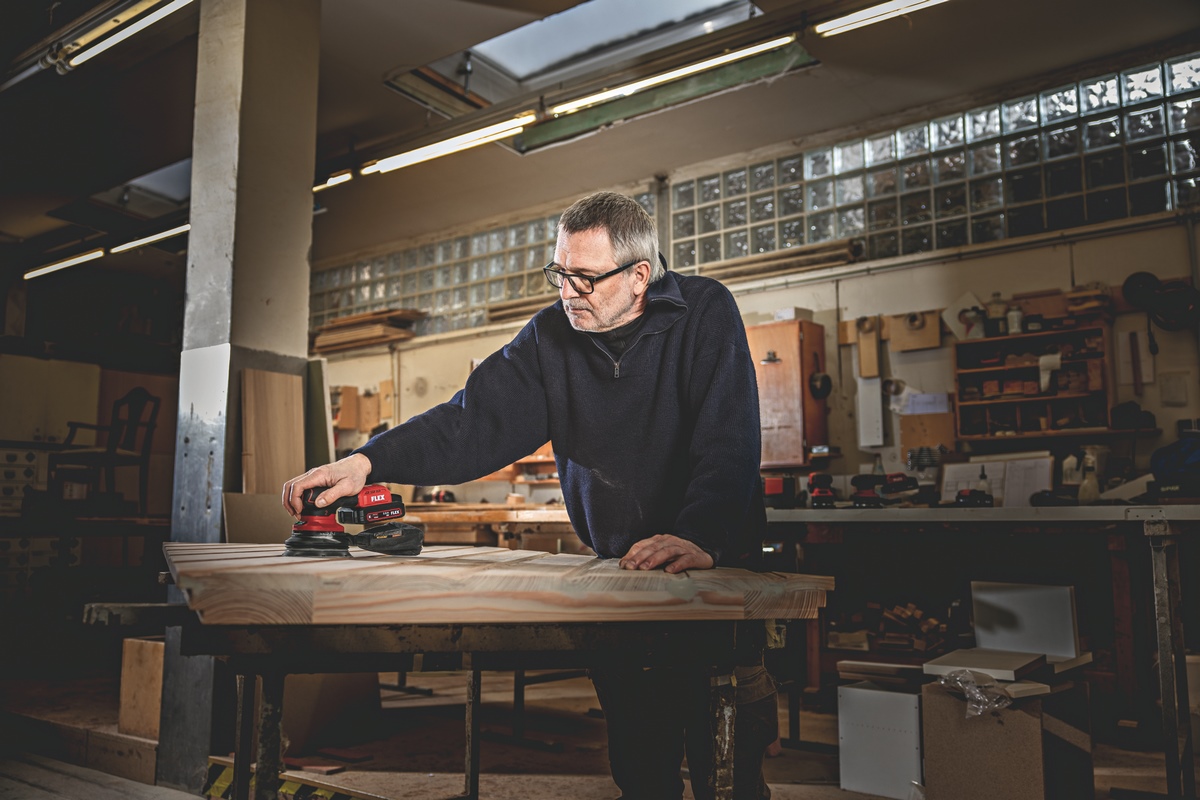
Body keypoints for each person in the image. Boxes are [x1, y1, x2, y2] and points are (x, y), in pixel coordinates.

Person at [283, 190, 774, 799]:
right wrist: (368, 461)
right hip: (625, 576)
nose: (567, 291)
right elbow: (470, 421)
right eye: (559, 273)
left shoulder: (705, 312)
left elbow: (729, 437)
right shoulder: (550, 337)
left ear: (639, 276)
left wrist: (699, 534)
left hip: (713, 570)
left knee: (727, 770)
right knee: (642, 766)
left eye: (585, 277)